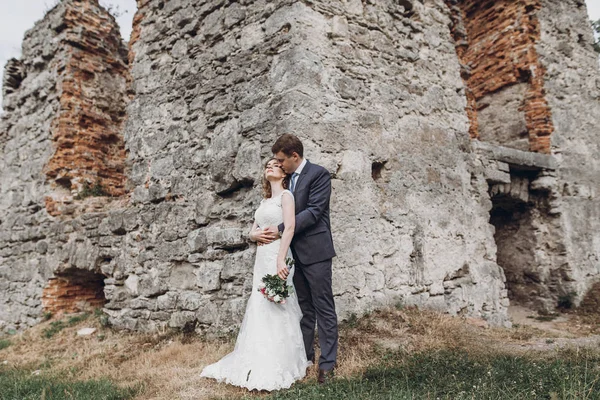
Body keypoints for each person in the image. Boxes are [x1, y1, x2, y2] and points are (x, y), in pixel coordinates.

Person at [199, 158, 311, 391]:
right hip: (261, 258)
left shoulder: (286, 197)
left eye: (275, 164)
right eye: (267, 165)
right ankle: (255, 358)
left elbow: (289, 227)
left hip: (278, 255)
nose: (269, 166)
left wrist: (281, 259)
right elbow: (252, 231)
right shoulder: (264, 201)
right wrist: (254, 237)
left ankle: (281, 361)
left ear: (283, 173)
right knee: (260, 302)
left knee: (278, 303)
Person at [260, 133, 338, 385]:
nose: (279, 164)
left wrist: (281, 228)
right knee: (304, 309)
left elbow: (314, 212)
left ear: (295, 156)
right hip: (294, 256)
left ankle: (327, 364)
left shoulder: (318, 175)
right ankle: (305, 358)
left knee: (323, 306)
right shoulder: (286, 180)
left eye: (282, 160)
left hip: (316, 252)